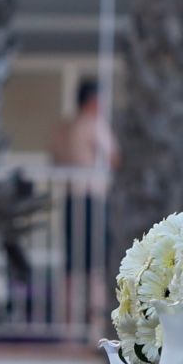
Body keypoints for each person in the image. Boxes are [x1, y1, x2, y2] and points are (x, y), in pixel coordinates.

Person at [49, 79, 117, 327]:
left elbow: (54, 158)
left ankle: (67, 320)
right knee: (95, 262)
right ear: (93, 100)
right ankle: (94, 322)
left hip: (71, 198)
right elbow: (113, 158)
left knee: (73, 263)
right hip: (91, 199)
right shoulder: (93, 124)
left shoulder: (64, 128)